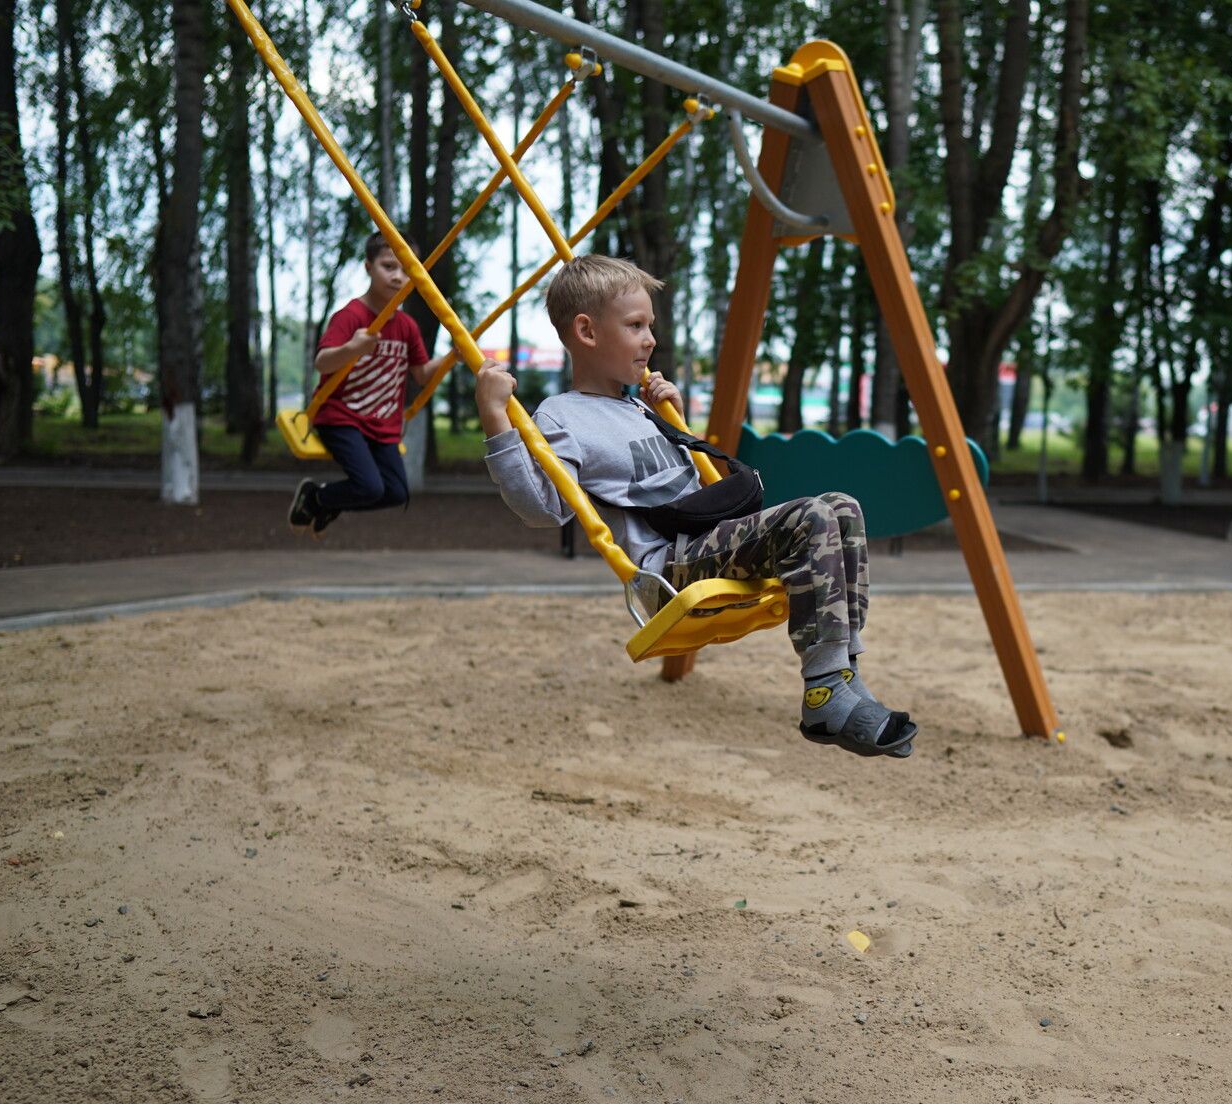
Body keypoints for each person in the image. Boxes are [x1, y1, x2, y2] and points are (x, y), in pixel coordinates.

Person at [475, 254, 916, 759]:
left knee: (842, 507)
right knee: (810, 517)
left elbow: (689, 489)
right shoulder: (562, 416)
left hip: (704, 543)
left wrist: (677, 423)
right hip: (671, 568)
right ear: (587, 331)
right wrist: (496, 420)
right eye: (636, 326)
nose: (650, 339)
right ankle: (823, 691)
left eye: (650, 326)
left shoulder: (637, 405)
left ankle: (843, 676)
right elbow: (542, 510)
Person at [288, 234, 454, 536]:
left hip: (383, 424)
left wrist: (451, 355)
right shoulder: (351, 316)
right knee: (368, 486)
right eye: (388, 266)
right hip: (342, 417)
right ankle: (316, 498)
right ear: (368, 267)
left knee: (396, 493)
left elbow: (421, 374)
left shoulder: (406, 326)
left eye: (406, 270)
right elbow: (322, 362)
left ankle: (324, 500)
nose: (398, 276)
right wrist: (352, 349)